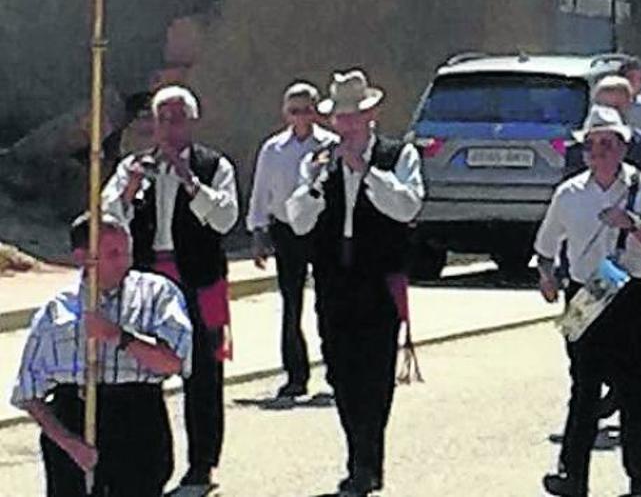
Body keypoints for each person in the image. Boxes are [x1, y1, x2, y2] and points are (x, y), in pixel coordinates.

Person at [286, 70, 424, 496]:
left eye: (354, 117)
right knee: (340, 372)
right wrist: (314, 189)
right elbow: (297, 219)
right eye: (340, 119)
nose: (346, 126)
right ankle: (358, 454)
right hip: (333, 280)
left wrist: (365, 171)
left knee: (376, 374)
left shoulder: (398, 156)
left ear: (371, 115)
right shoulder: (317, 162)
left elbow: (407, 206)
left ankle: (366, 461)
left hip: (378, 279)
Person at [535, 106, 641, 497]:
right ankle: (573, 476)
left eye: (606, 144)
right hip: (587, 293)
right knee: (582, 388)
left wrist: (633, 224)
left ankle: (639, 481)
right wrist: (547, 277)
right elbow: (546, 248)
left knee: (636, 392)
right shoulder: (569, 193)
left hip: (635, 294)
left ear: (622, 147)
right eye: (591, 146)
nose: (598, 152)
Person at [101, 86, 239, 490]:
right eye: (163, 119)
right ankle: (148, 461)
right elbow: (108, 219)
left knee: (202, 375)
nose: (170, 127)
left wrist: (189, 180)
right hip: (147, 285)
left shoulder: (215, 166)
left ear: (193, 123)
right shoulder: (133, 166)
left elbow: (225, 219)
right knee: (143, 372)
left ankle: (202, 462)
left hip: (197, 282)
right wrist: (129, 191)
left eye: (178, 119)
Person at [10, 215, 193, 497]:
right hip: (75, 419)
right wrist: (69, 443)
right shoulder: (56, 312)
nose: (125, 262)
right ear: (83, 257)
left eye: (126, 251)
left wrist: (120, 336)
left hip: (137, 419)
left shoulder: (156, 294)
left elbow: (174, 362)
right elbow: (28, 393)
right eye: (113, 254)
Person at [246, 82, 338, 398]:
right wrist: (258, 233)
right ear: (286, 113)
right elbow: (261, 193)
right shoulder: (273, 149)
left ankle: (336, 369)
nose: (301, 116)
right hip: (286, 231)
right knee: (291, 303)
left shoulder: (331, 145)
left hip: (322, 229)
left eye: (306, 109)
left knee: (328, 301)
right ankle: (295, 375)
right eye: (294, 110)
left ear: (316, 111)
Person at [564, 76, 641, 221]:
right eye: (605, 107)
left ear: (629, 105)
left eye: (616, 107)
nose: (610, 114)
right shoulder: (578, 150)